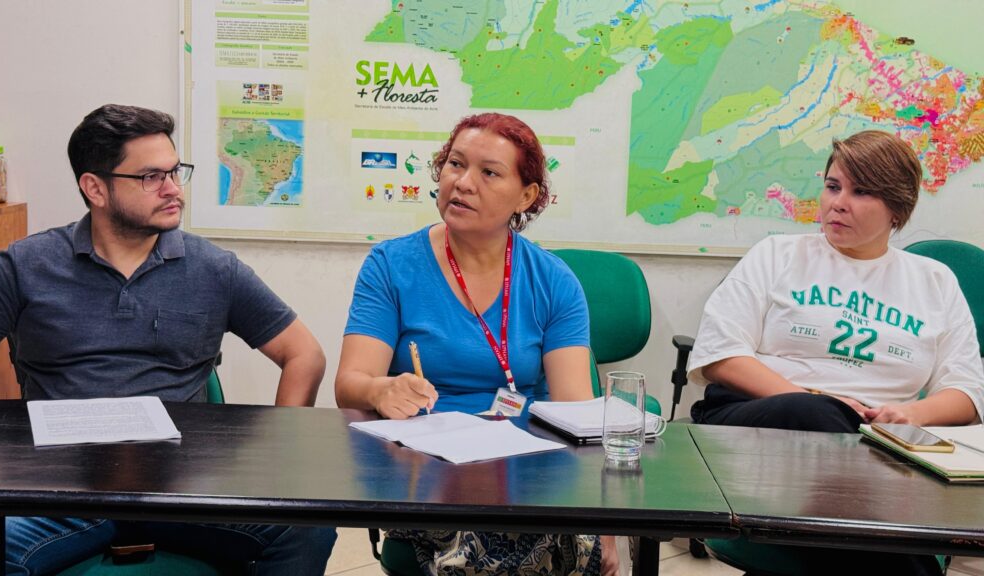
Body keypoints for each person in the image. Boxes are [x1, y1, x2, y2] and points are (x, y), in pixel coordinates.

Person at [0, 104, 337, 575]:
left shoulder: (212, 268)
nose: (173, 189)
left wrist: (277, 455)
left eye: (175, 172)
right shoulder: (25, 265)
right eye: (151, 177)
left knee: (307, 530)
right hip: (60, 491)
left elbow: (304, 354)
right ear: (95, 187)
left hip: (185, 488)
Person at [687, 130, 984, 575]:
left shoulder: (933, 281)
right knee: (817, 415)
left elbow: (967, 393)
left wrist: (909, 416)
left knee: (854, 452)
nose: (838, 202)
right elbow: (721, 354)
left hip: (877, 444)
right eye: (832, 186)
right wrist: (812, 396)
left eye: (861, 191)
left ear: (897, 208)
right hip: (761, 421)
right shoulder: (777, 255)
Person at [336, 113, 617, 575]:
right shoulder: (390, 265)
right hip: (429, 468)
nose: (463, 183)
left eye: (489, 172)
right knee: (491, 548)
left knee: (567, 540)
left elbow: (576, 413)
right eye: (454, 164)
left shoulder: (553, 281)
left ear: (525, 196)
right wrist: (380, 391)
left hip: (526, 471)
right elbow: (349, 383)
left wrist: (603, 521)